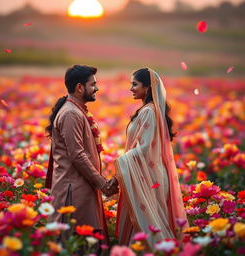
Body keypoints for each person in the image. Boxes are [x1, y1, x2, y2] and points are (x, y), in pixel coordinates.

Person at [115, 68, 188, 250]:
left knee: (151, 223)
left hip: (150, 176)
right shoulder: (148, 110)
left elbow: (145, 148)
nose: (131, 88)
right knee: (149, 220)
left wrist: (120, 162)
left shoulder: (149, 111)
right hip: (148, 172)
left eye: (135, 84)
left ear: (147, 88)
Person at [45, 65, 119, 245]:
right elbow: (77, 155)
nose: (97, 88)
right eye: (93, 84)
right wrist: (102, 184)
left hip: (80, 185)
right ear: (79, 87)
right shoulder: (71, 113)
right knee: (76, 242)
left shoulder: (76, 110)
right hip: (73, 190)